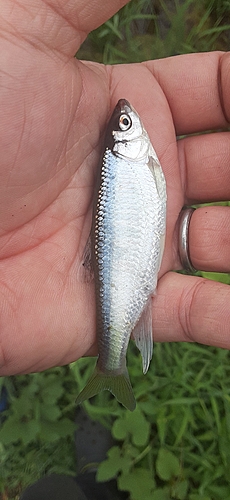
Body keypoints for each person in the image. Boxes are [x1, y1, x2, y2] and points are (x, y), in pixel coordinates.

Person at [0, 0, 230, 379]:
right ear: (122, 141)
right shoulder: (131, 161)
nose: (129, 118)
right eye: (126, 122)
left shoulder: (125, 161)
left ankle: (113, 363)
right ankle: (113, 363)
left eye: (124, 121)